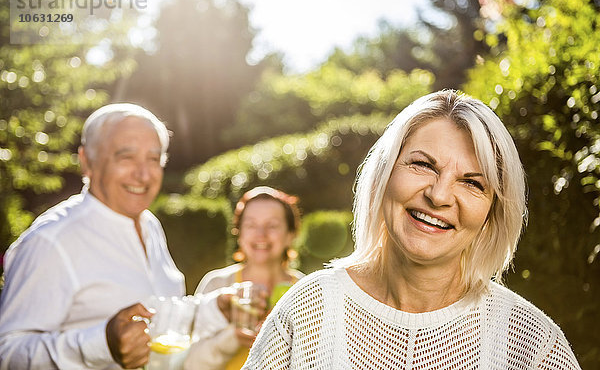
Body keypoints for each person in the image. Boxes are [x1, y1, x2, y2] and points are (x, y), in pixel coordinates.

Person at [242, 90, 582, 370]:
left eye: (472, 183)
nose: (439, 195)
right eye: (422, 165)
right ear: (384, 174)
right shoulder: (307, 310)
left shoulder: (532, 345)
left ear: (492, 212)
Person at [0, 104, 223, 369]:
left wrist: (220, 309)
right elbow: (8, 353)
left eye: (153, 159)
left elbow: (161, 314)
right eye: (126, 157)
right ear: (87, 162)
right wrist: (103, 344)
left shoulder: (149, 224)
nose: (143, 174)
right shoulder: (50, 241)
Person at [184, 186, 304, 370]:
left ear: (291, 234)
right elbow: (189, 364)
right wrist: (230, 339)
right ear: (239, 233)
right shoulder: (216, 285)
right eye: (251, 225)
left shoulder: (306, 290)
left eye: (272, 225)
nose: (260, 234)